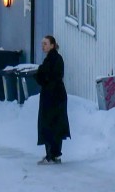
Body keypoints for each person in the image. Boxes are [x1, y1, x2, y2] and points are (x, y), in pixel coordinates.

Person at [35, 35, 71, 164]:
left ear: (52, 45)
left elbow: (46, 76)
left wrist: (40, 75)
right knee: (56, 124)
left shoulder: (53, 59)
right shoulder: (52, 59)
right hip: (56, 95)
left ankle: (51, 155)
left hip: (52, 96)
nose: (43, 46)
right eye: (42, 43)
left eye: (45, 43)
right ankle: (55, 154)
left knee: (49, 124)